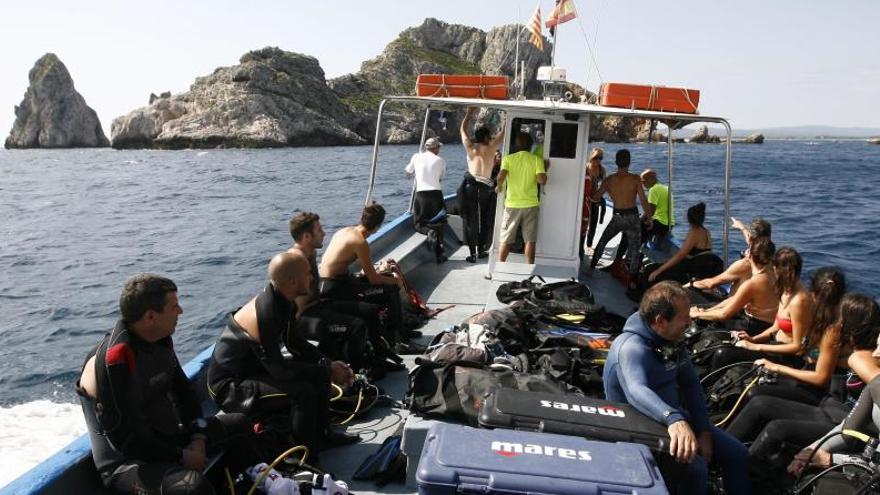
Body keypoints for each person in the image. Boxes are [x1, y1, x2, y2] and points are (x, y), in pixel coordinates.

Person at [77, 274, 258, 495]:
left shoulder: (159, 340)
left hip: (168, 441)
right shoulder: (115, 361)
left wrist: (198, 438)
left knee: (239, 424)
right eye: (174, 306)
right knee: (191, 486)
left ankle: (256, 484)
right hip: (129, 464)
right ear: (150, 317)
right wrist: (182, 456)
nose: (180, 311)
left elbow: (185, 397)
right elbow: (130, 441)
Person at [603, 281, 751, 495]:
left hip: (674, 420)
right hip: (638, 425)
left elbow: (691, 386)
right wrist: (673, 419)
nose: (690, 323)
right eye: (684, 319)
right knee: (696, 468)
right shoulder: (630, 348)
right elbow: (637, 390)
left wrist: (703, 431)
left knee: (737, 454)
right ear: (660, 321)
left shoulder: (670, 340)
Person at [207, 252, 358, 461]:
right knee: (303, 392)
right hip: (231, 387)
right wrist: (328, 371)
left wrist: (328, 363)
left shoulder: (285, 301)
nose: (312, 278)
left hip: (256, 370)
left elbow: (297, 343)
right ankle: (304, 457)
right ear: (293, 281)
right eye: (308, 274)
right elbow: (278, 370)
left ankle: (324, 436)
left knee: (318, 374)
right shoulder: (267, 311)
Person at [727, 295, 880, 490]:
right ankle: (727, 459)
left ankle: (743, 481)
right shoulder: (856, 352)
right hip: (832, 410)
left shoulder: (861, 359)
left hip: (841, 419)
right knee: (759, 403)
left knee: (777, 429)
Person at [287, 212, 381, 372]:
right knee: (356, 326)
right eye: (319, 230)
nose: (324, 233)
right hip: (303, 319)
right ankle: (355, 376)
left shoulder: (311, 253)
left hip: (319, 305)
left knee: (370, 310)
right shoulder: (295, 261)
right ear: (307, 236)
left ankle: (379, 359)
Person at [708, 247, 810, 371]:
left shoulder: (799, 301)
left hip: (787, 357)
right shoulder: (785, 292)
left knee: (723, 354)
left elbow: (797, 346)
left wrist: (757, 347)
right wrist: (753, 339)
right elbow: (775, 327)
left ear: (778, 270)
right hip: (774, 345)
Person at [318, 204, 407, 344]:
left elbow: (345, 264)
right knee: (390, 289)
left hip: (327, 282)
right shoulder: (360, 242)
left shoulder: (345, 231)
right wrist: (397, 281)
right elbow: (374, 279)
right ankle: (398, 339)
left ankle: (398, 330)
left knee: (387, 279)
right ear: (378, 226)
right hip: (335, 288)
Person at [690, 237, 778, 336]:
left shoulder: (752, 284)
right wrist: (707, 311)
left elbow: (723, 315)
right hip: (768, 324)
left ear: (749, 255)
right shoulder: (775, 275)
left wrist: (697, 314)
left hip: (753, 326)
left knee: (701, 327)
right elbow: (734, 299)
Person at [589, 149, 651, 291]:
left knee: (603, 241)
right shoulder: (635, 179)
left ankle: (591, 267)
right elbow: (643, 201)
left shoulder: (609, 180)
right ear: (629, 162)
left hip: (617, 217)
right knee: (634, 250)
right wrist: (649, 218)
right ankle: (633, 280)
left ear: (616, 162)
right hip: (632, 217)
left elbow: (595, 198)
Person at [458, 106, 505, 262]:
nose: (491, 138)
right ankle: (480, 251)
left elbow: (462, 130)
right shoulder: (492, 148)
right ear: (486, 137)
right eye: (489, 136)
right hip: (485, 189)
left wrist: (469, 114)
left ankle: (474, 253)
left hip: (472, 188)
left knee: (472, 221)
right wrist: (507, 117)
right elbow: (504, 133)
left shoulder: (470, 149)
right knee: (484, 219)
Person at [495, 131, 547, 264]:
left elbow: (501, 176)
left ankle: (500, 264)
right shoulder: (536, 160)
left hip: (512, 204)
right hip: (531, 204)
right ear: (530, 145)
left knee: (507, 238)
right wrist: (544, 170)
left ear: (516, 145)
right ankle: (529, 268)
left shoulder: (508, 159)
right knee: (530, 239)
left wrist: (499, 186)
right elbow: (542, 180)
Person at [689, 217, 771, 296]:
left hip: (735, 300)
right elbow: (753, 240)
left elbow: (711, 284)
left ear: (750, 237)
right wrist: (741, 227)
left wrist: (691, 283)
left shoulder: (744, 264)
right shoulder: (771, 259)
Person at [647, 203, 723, 285]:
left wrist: (659, 270)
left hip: (697, 267)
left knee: (652, 270)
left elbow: (681, 255)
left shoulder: (694, 232)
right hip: (708, 263)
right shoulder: (706, 231)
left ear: (689, 219)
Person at [405, 137, 448, 262]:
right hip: (436, 194)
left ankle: (428, 232)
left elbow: (408, 172)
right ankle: (441, 254)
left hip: (421, 194)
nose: (439, 149)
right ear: (435, 148)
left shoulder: (416, 157)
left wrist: (417, 173)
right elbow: (440, 178)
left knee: (418, 223)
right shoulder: (441, 160)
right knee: (439, 223)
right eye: (438, 147)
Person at [640, 169, 674, 245]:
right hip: (669, 224)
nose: (643, 184)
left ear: (651, 179)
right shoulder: (665, 188)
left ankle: (635, 253)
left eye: (643, 181)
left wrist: (640, 220)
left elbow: (651, 211)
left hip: (661, 224)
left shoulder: (653, 190)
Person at [583, 147, 607, 255]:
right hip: (585, 197)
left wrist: (598, 196)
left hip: (595, 197)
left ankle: (589, 245)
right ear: (591, 157)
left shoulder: (602, 170)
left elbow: (604, 186)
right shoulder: (586, 168)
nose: (598, 160)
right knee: (584, 222)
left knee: (593, 222)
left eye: (600, 158)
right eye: (596, 157)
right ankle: (580, 244)